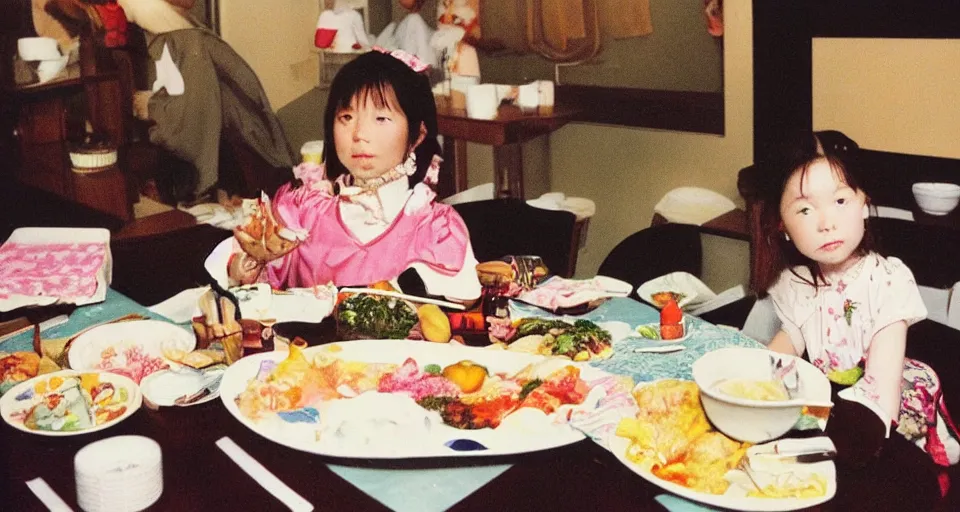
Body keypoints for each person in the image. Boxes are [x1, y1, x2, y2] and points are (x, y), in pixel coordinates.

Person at [754, 129, 959, 474]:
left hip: (889, 412)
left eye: (840, 201)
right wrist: (747, 380)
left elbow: (881, 386)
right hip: (834, 408)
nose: (826, 223)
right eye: (805, 209)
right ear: (783, 227)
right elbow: (781, 352)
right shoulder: (796, 284)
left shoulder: (888, 280)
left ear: (863, 204)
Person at [211, 49, 481, 302]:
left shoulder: (434, 230)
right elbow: (242, 280)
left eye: (381, 119)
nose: (359, 134)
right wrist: (243, 266)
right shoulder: (301, 214)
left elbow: (456, 304)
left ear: (417, 136)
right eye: (347, 117)